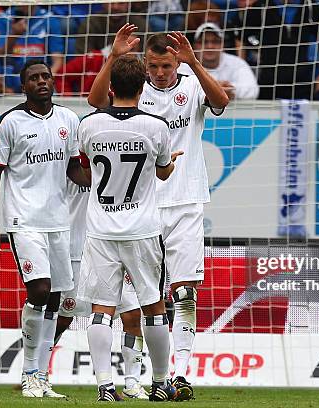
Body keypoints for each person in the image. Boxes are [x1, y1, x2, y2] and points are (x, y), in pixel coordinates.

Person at [88, 25, 229, 401]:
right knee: (137, 304)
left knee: (183, 293)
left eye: (166, 65)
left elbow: (222, 102)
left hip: (185, 201)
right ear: (145, 65)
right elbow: (96, 99)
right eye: (154, 65)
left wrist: (195, 64)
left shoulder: (191, 83)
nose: (161, 72)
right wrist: (115, 57)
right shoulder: (136, 90)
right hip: (143, 209)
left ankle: (178, 375)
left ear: (175, 62)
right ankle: (134, 377)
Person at [0, 60, 90, 398]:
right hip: (23, 221)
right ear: (23, 86)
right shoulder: (11, 122)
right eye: (33, 78)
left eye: (45, 76)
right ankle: (29, 371)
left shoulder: (68, 119)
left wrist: (104, 183)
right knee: (40, 290)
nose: (41, 82)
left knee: (56, 300)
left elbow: (74, 168)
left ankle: (42, 375)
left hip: (60, 222)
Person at [79, 54, 183, 402]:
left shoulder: (89, 125)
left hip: (101, 230)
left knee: (101, 309)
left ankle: (104, 386)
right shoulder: (156, 127)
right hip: (141, 229)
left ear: (111, 87)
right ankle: (158, 383)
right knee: (153, 306)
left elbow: (85, 160)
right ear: (142, 87)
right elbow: (164, 171)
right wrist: (171, 164)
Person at [54, 178, 150, 399]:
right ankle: (37, 372)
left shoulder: (120, 154)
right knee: (63, 317)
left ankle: (132, 383)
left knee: (133, 314)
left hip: (116, 243)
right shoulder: (73, 154)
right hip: (76, 248)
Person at [234, 0, 319, 100]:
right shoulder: (261, 6)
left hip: (301, 80)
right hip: (269, 79)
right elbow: (241, 38)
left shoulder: (311, 6)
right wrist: (243, 69)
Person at [178, 22, 259, 100]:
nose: (209, 46)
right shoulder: (185, 65)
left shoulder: (237, 63)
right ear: (194, 46)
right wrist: (216, 89)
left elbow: (253, 91)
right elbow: (178, 91)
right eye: (204, 42)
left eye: (215, 41)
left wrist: (231, 90)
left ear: (222, 45)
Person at [0, 6, 65, 74]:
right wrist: (14, 35)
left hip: (40, 74)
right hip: (11, 76)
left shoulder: (49, 19)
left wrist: (46, 78)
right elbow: (0, 55)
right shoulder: (4, 18)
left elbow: (57, 61)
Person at [74, 1, 147, 56]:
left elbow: (148, 56)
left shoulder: (140, 24)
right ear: (103, 3)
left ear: (129, 4)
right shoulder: (90, 23)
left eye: (121, 3)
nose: (115, 7)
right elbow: (82, 56)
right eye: (111, 3)